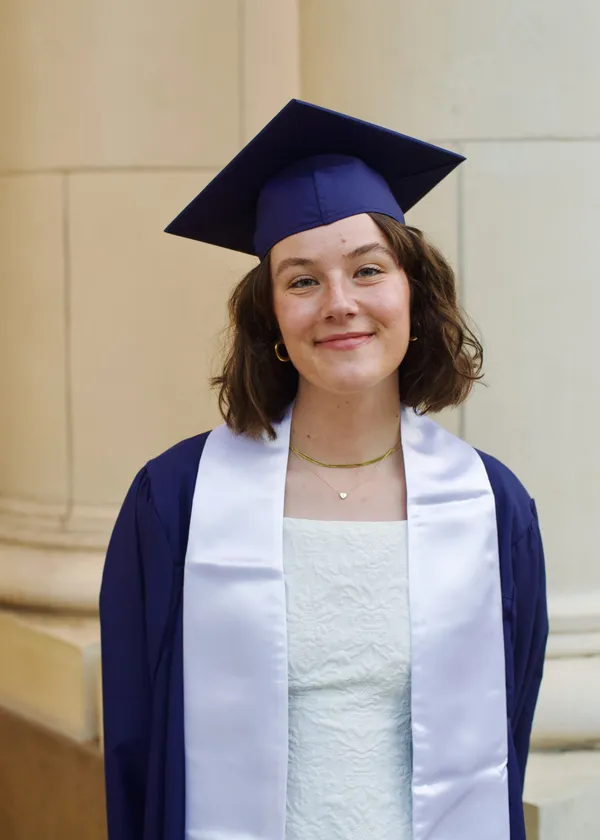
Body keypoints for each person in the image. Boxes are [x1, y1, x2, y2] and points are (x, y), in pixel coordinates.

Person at [99, 100, 548, 840]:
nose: (340, 304)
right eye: (302, 281)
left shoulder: (491, 508)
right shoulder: (176, 502)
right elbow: (135, 753)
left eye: (368, 270)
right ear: (271, 316)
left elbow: (509, 738)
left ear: (413, 293)